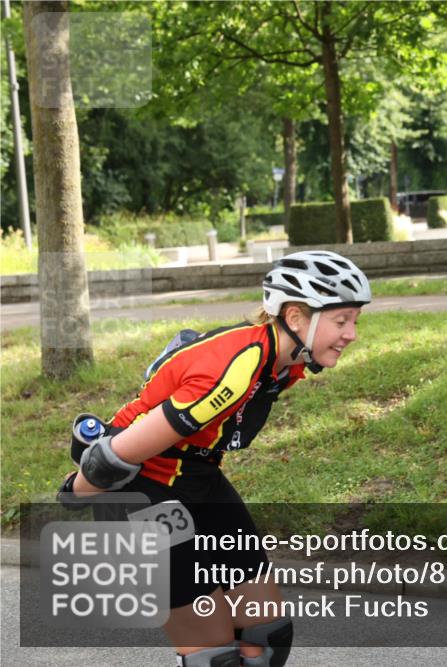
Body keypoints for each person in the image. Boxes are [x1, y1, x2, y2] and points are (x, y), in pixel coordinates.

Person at [57, 250, 371, 667]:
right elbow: (116, 455)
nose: (351, 333)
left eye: (354, 321)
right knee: (215, 656)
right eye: (341, 320)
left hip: (197, 476)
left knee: (267, 635)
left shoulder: (285, 363)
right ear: (295, 317)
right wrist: (76, 491)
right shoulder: (237, 367)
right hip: (140, 490)